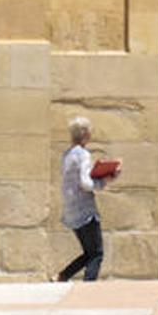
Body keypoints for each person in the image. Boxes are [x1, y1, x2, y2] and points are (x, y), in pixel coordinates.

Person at [57, 117, 108, 282]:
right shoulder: (84, 154)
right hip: (85, 211)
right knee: (97, 253)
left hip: (71, 210)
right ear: (86, 133)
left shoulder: (67, 155)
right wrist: (103, 181)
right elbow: (86, 183)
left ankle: (62, 276)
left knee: (89, 252)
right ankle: (88, 286)